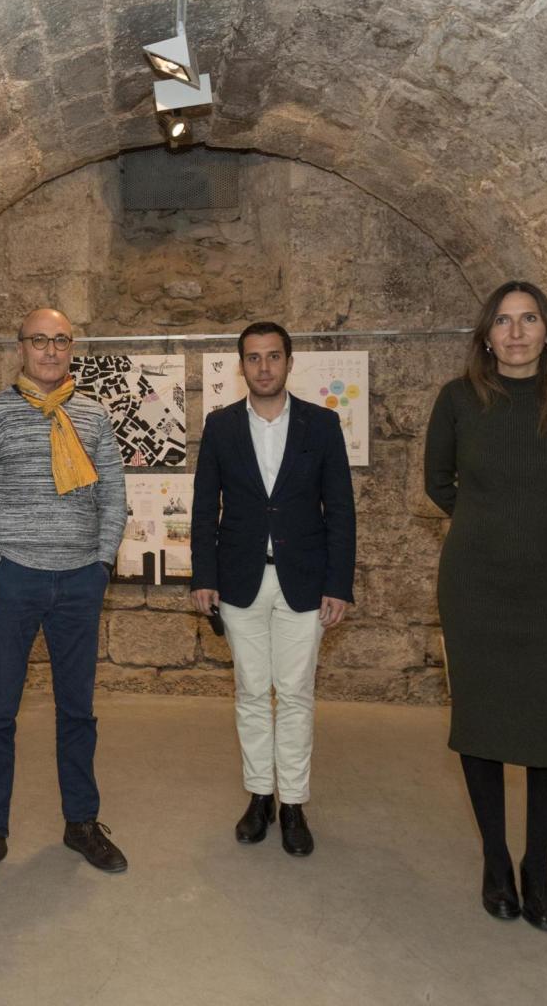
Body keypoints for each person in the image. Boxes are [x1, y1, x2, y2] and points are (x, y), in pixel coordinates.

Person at [424, 281, 547, 933]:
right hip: (476, 585)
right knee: (481, 720)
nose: (516, 332)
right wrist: (488, 527)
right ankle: (496, 861)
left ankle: (539, 866)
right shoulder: (458, 399)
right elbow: (437, 482)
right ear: (486, 335)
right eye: (503, 321)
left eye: (529, 319)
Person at [0, 307, 129, 886]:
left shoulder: (94, 416)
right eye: (39, 340)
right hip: (16, 581)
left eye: (60, 340)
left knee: (78, 711)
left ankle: (81, 822)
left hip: (79, 582)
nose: (50, 351)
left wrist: (102, 564)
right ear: (20, 347)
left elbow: (114, 497)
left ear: (71, 347)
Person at [190, 321, 355, 856]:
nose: (264, 367)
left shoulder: (321, 425)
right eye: (254, 358)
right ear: (242, 366)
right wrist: (204, 576)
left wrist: (339, 583)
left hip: (304, 581)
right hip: (240, 580)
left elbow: (341, 511)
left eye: (274, 356)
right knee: (252, 691)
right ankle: (260, 795)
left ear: (289, 362)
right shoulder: (220, 427)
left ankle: (294, 804)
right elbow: (203, 508)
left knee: (297, 692)